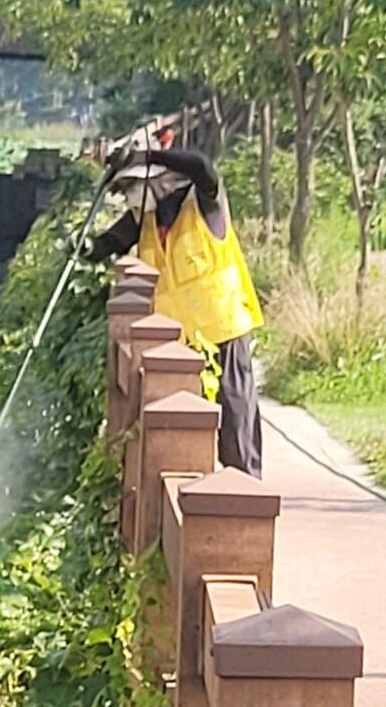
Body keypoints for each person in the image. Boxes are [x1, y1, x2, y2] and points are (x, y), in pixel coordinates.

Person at [88, 139, 264, 478]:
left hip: (221, 325)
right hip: (178, 342)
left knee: (234, 410)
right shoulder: (146, 220)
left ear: (163, 179)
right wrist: (84, 248)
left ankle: (243, 483)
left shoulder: (204, 203)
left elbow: (202, 164)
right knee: (184, 421)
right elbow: (108, 244)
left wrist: (147, 155)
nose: (130, 195)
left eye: (133, 185)